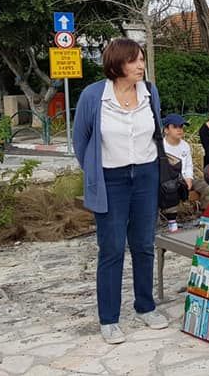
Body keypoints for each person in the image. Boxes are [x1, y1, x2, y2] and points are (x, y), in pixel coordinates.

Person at [73, 37, 169, 345]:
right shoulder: (93, 96)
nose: (141, 65)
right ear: (117, 64)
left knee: (143, 244)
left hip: (145, 176)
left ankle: (145, 306)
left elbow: (155, 132)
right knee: (112, 248)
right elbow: (80, 140)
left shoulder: (150, 92)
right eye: (134, 60)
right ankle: (109, 319)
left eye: (141, 59)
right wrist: (93, 172)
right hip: (110, 179)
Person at [162, 113, 193, 232]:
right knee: (171, 189)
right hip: (169, 180)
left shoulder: (185, 146)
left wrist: (189, 178)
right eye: (175, 127)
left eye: (181, 126)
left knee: (205, 186)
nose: (179, 130)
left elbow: (189, 165)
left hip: (184, 178)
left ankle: (206, 217)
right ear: (166, 130)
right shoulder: (161, 147)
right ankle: (172, 222)